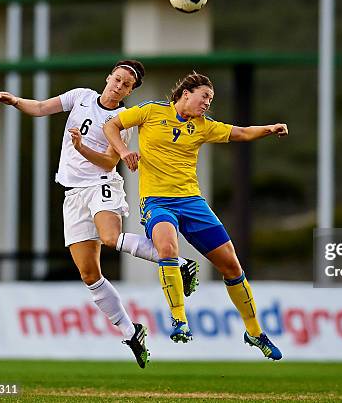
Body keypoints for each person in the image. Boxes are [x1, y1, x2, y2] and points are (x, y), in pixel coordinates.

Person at [0, 60, 198, 368]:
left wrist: (79, 147)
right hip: (73, 193)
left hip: (101, 183)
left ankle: (179, 263)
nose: (119, 85)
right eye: (117, 79)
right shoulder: (80, 96)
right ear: (108, 78)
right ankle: (132, 332)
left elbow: (107, 163)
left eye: (126, 84)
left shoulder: (121, 120)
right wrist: (14, 101)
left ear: (130, 91)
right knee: (90, 275)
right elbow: (39, 108)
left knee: (111, 237)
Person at [103, 71, 287, 360]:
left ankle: (254, 332)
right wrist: (125, 151)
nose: (207, 104)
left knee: (232, 266)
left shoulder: (203, 126)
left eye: (210, 100)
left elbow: (239, 132)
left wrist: (269, 128)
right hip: (157, 201)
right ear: (186, 93)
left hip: (192, 202)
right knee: (167, 246)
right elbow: (111, 125)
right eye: (204, 97)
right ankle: (179, 320)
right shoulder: (151, 111)